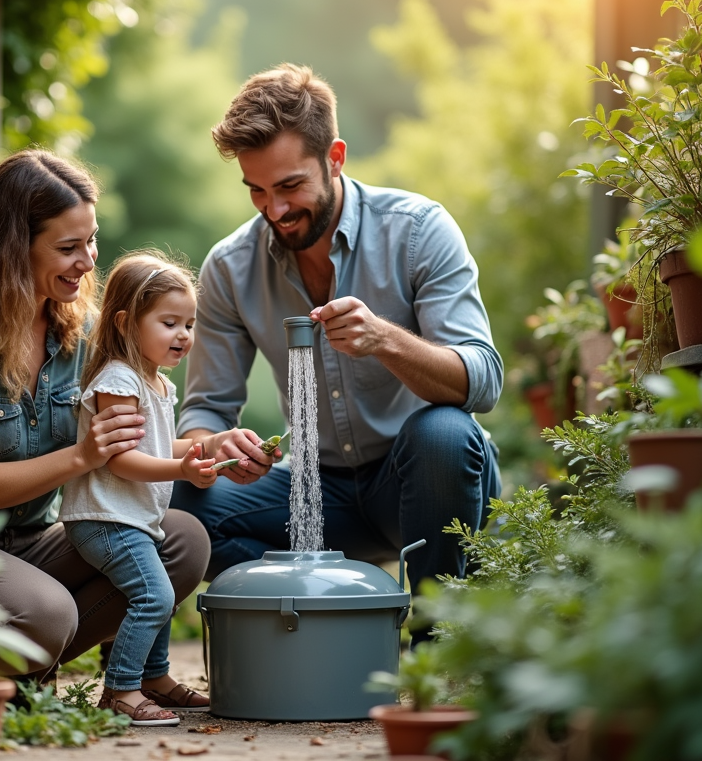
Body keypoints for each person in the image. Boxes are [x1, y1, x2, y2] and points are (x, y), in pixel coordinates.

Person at [171, 64, 503, 599]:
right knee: (178, 506)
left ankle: (439, 649)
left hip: (419, 485)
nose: (273, 210)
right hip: (312, 494)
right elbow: (204, 412)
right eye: (255, 190)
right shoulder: (230, 266)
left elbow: (483, 381)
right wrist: (213, 445)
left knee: (443, 433)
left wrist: (385, 340)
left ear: (335, 158)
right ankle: (329, 608)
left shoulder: (418, 230)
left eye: (289, 186)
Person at [0, 150, 211, 687]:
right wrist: (80, 456)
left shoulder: (81, 331)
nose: (88, 261)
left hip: (35, 540)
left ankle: (40, 665)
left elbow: (131, 439)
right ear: (10, 248)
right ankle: (6, 664)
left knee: (182, 542)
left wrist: (209, 448)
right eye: (67, 247)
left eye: (90, 240)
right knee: (48, 614)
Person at [59, 251, 225, 725]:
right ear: (127, 323)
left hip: (132, 517)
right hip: (105, 518)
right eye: (169, 322)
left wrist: (196, 453)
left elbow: (151, 441)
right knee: (152, 596)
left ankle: (155, 678)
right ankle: (120, 689)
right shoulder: (118, 379)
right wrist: (182, 472)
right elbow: (122, 459)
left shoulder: (157, 383)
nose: (183, 335)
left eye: (189, 324)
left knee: (163, 592)